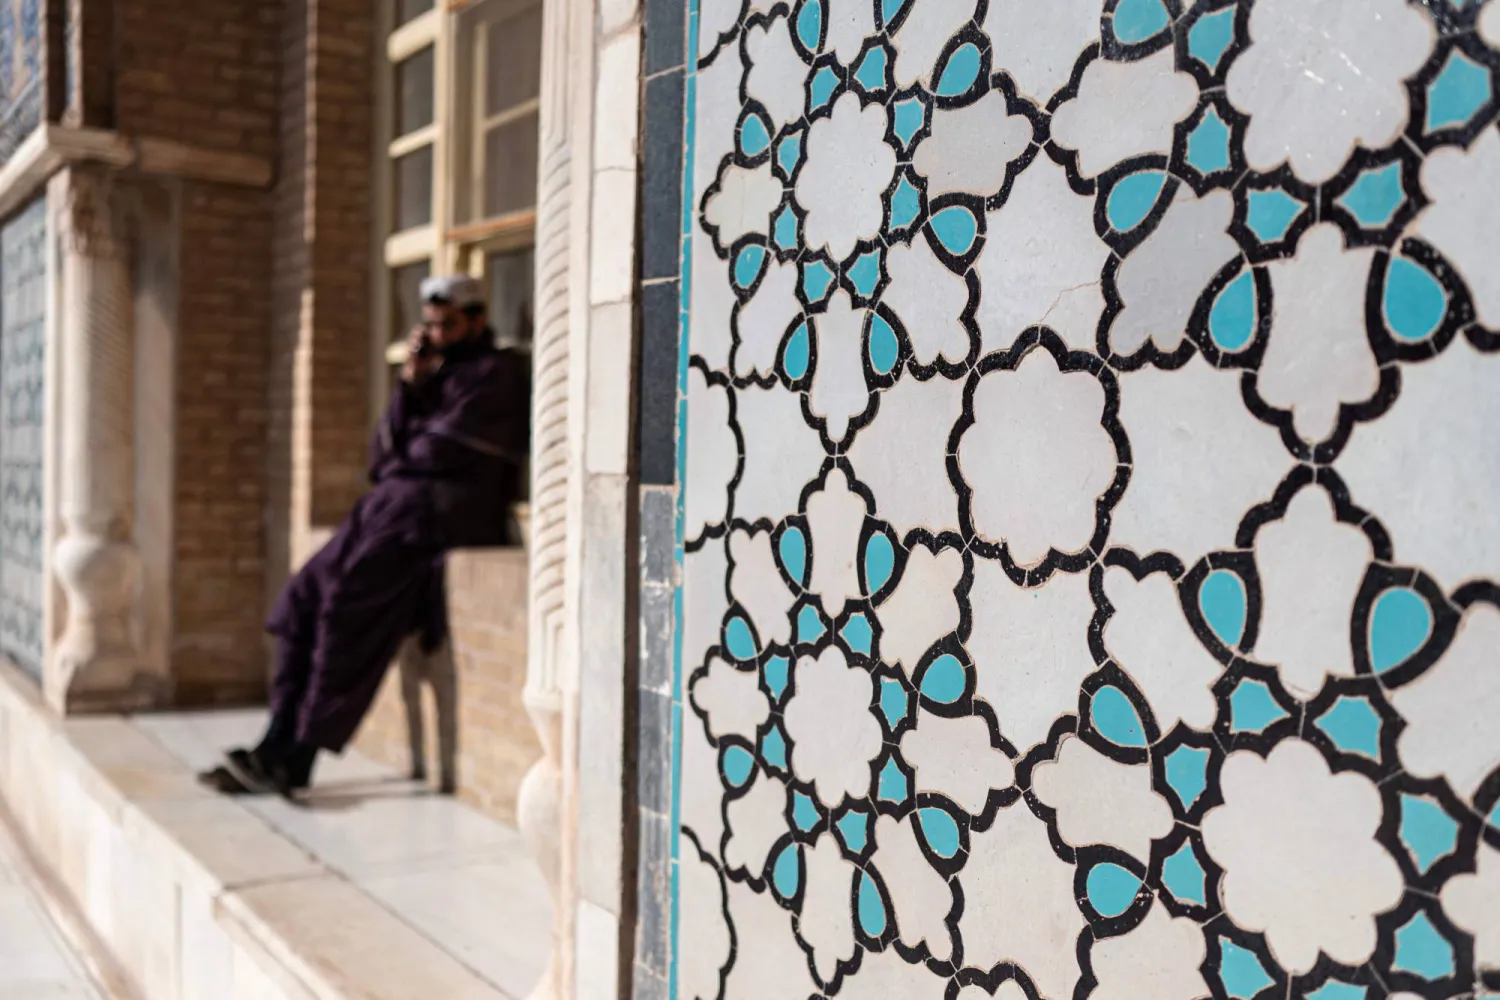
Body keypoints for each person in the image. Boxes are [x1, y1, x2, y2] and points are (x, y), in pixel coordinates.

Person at [199, 275, 530, 797]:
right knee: (302, 596)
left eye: (448, 325)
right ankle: (275, 740)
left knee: (347, 606)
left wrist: (404, 455)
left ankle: (300, 756)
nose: (438, 335)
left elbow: (437, 453)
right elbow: (384, 455)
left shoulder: (496, 373)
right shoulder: (433, 374)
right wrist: (411, 384)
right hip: (388, 506)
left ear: (477, 320)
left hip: (434, 515)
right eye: (431, 325)